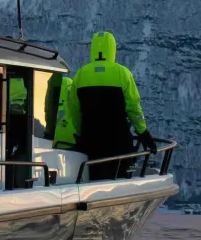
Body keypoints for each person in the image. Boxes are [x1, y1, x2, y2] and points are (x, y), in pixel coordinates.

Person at [62, 31, 155, 180]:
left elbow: (73, 110)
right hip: (118, 143)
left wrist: (80, 133)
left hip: (91, 142)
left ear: (93, 48)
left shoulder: (81, 74)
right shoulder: (122, 74)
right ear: (112, 49)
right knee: (119, 181)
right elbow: (134, 109)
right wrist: (143, 133)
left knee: (93, 181)